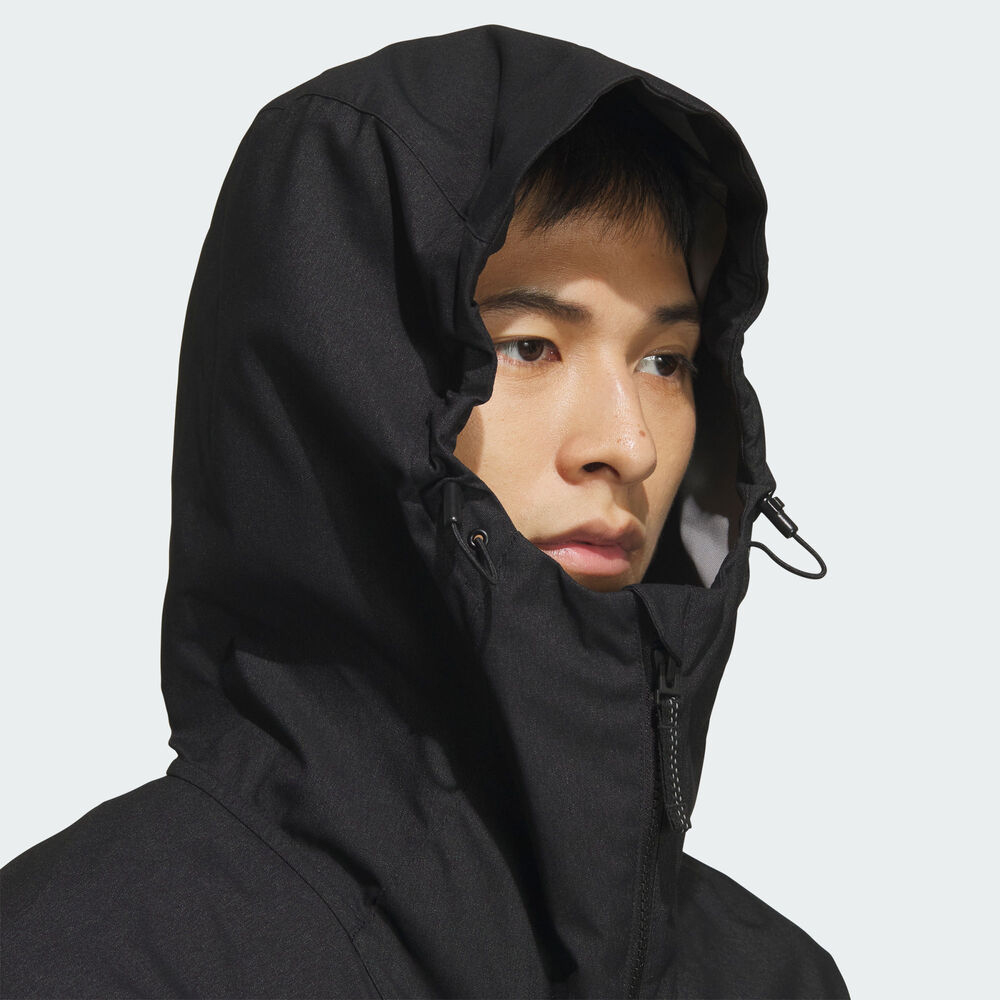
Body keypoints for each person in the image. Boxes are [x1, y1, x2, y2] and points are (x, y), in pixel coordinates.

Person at [0, 24, 849, 999]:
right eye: (527, 347)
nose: (630, 445)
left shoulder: (773, 979)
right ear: (341, 390)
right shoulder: (83, 964)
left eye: (664, 361)